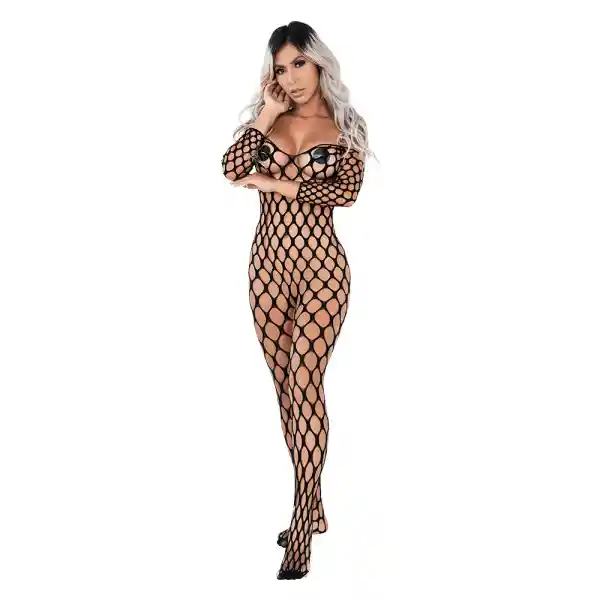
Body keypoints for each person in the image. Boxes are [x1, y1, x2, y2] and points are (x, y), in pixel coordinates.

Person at [221, 20, 374, 580]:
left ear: (320, 62)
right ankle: (314, 502)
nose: (291, 77)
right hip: (267, 269)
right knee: (287, 390)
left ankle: (301, 527)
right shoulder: (269, 119)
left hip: (321, 270)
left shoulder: (345, 125)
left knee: (305, 381)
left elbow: (346, 192)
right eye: (281, 68)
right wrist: (264, 116)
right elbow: (231, 169)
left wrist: (276, 184)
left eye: (299, 64)